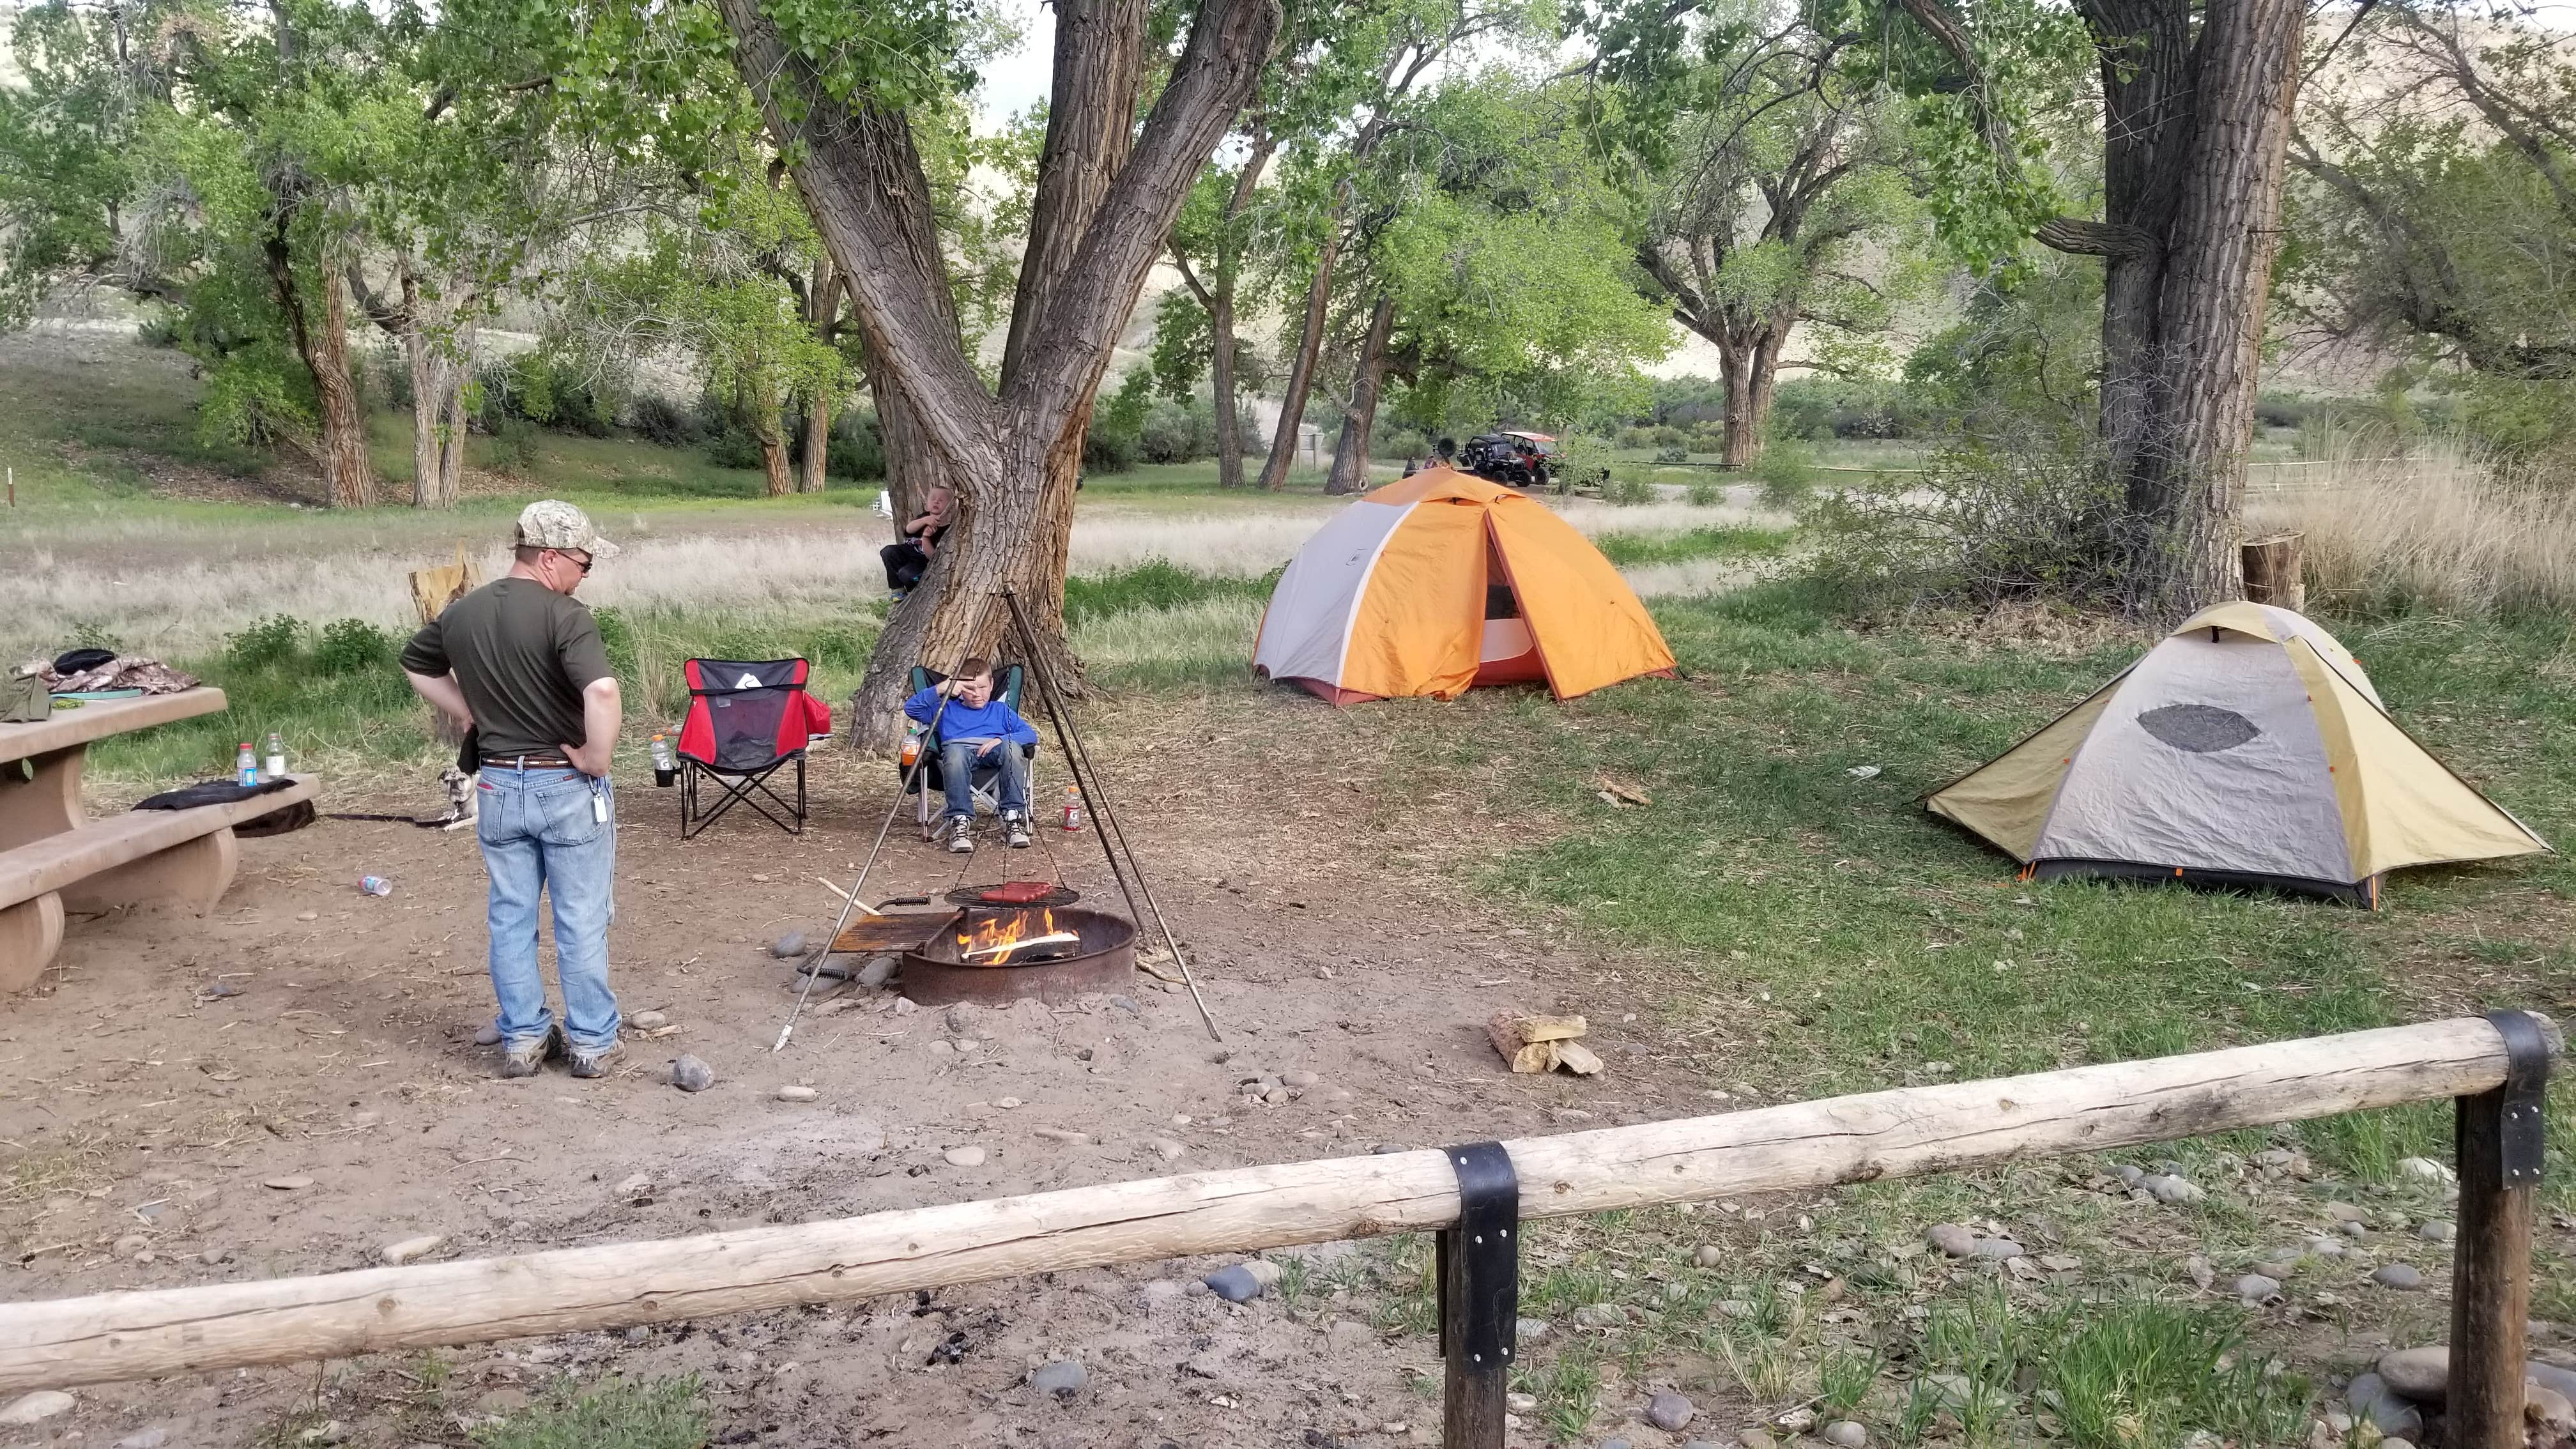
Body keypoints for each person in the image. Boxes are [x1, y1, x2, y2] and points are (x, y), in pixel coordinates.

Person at [402, 501, 625, 1080]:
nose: (585, 574)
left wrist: (470, 711)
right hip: (566, 781)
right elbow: (601, 692)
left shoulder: (462, 614)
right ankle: (592, 1043)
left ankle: (523, 1038)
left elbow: (417, 666)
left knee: (510, 916)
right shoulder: (565, 614)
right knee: (579, 917)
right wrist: (596, 758)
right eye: (583, 562)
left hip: (499, 784)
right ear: (550, 558)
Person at [903, 656, 1039, 854]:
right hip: (957, 757)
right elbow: (912, 709)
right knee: (956, 753)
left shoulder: (1000, 710)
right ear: (959, 688)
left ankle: (1012, 819)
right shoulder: (945, 708)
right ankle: (960, 823)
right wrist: (943, 689)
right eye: (970, 689)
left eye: (982, 687)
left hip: (994, 754)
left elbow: (1030, 735)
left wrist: (1000, 740)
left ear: (992, 684)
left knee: (1013, 747)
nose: (977, 694)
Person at [880, 486, 953, 599]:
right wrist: (924, 520)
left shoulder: (948, 530)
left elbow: (933, 557)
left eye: (941, 500)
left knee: (907, 574)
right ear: (927, 504)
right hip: (908, 552)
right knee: (888, 551)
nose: (936, 501)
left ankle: (917, 590)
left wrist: (926, 538)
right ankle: (898, 590)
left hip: (922, 562)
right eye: (933, 498)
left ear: (950, 507)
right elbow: (908, 530)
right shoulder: (923, 517)